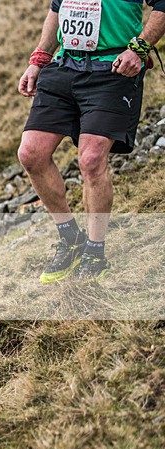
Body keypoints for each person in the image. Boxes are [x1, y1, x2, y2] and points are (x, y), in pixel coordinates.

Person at [17, 0, 165, 283]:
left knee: (92, 159)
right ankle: (71, 239)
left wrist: (140, 47)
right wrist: (38, 60)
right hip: (64, 66)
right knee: (31, 153)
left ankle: (96, 254)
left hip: (112, 71)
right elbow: (56, 8)